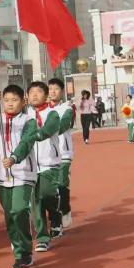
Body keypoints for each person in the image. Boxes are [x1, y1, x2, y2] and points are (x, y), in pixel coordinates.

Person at [0, 85, 38, 268]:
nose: (10, 104)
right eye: (6, 100)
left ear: (23, 102)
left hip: (23, 173)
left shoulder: (29, 121)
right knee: (9, 216)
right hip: (2, 175)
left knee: (19, 210)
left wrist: (14, 158)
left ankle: (25, 250)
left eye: (14, 100)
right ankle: (18, 251)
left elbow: (27, 142)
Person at [28, 82, 63, 250]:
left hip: (49, 163)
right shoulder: (24, 115)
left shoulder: (52, 114)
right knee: (36, 202)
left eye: (39, 92)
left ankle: (55, 213)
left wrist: (35, 134)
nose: (35, 95)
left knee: (47, 194)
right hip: (30, 166)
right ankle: (42, 237)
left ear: (46, 95)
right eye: (31, 92)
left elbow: (48, 130)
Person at [48, 79, 76, 229]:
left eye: (56, 89)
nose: (52, 91)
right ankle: (57, 213)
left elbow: (64, 124)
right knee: (49, 189)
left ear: (62, 91)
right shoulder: (40, 109)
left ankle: (62, 212)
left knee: (60, 185)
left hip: (63, 153)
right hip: (46, 155)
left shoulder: (67, 107)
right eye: (50, 88)